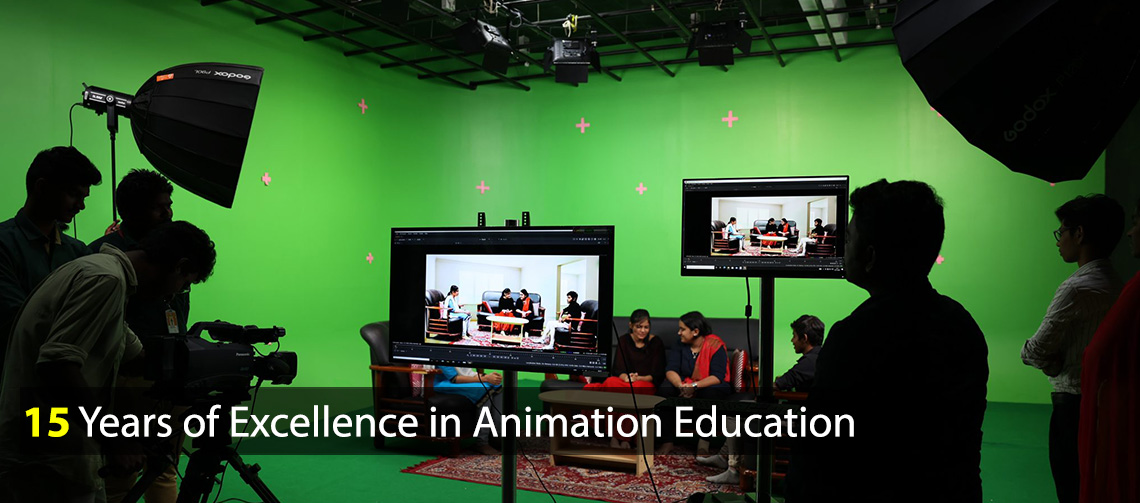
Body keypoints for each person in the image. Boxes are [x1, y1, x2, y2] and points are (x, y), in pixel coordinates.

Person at [786, 180, 988, 503]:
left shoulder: (854, 336)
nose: (842, 247)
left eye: (848, 238)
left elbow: (820, 450)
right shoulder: (961, 325)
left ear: (870, 256)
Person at [0, 221, 216, 502]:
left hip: (48, 448)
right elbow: (57, 363)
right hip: (46, 460)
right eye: (185, 284)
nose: (175, 294)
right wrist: (114, 437)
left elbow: (136, 356)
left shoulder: (103, 274)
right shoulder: (106, 280)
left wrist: (205, 365)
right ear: (179, 266)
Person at [84, 169, 185, 503]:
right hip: (123, 383)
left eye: (169, 205)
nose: (168, 213)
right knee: (120, 475)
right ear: (131, 211)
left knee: (165, 467)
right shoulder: (103, 259)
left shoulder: (173, 255)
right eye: (158, 207)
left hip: (167, 380)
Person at [1022, 194, 1125, 503]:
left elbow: (1033, 352)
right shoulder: (1116, 284)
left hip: (1072, 409)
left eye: (1062, 232)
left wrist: (1053, 361)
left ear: (1079, 234)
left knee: (1071, 491)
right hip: (1106, 405)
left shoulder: (1075, 288)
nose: (1058, 241)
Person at [0, 146, 101, 364]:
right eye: (73, 194)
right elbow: (17, 320)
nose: (81, 206)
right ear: (42, 187)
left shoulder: (78, 251)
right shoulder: (4, 244)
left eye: (84, 197)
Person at [701, 314, 825, 484]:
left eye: (794, 336)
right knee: (739, 407)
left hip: (798, 420)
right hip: (805, 414)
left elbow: (776, 386)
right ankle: (724, 457)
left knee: (733, 413)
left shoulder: (809, 362)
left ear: (804, 338)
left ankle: (733, 469)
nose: (792, 340)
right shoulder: (822, 357)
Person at [1079, 197, 1140, 503]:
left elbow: (1099, 354)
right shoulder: (1120, 283)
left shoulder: (1078, 287)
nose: (1131, 232)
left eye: (1137, 223)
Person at [655, 311, 732, 455]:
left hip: (709, 384)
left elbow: (717, 376)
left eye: (682, 329)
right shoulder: (679, 345)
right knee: (665, 389)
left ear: (695, 331)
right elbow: (671, 369)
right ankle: (667, 442)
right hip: (684, 384)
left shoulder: (715, 345)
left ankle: (703, 443)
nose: (679, 333)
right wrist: (680, 386)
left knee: (711, 392)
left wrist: (694, 386)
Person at [433, 366, 504, 455]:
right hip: (442, 384)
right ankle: (482, 442)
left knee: (496, 385)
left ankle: (499, 436)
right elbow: (454, 379)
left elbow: (468, 373)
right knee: (483, 388)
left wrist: (491, 377)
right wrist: (486, 378)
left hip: (458, 381)